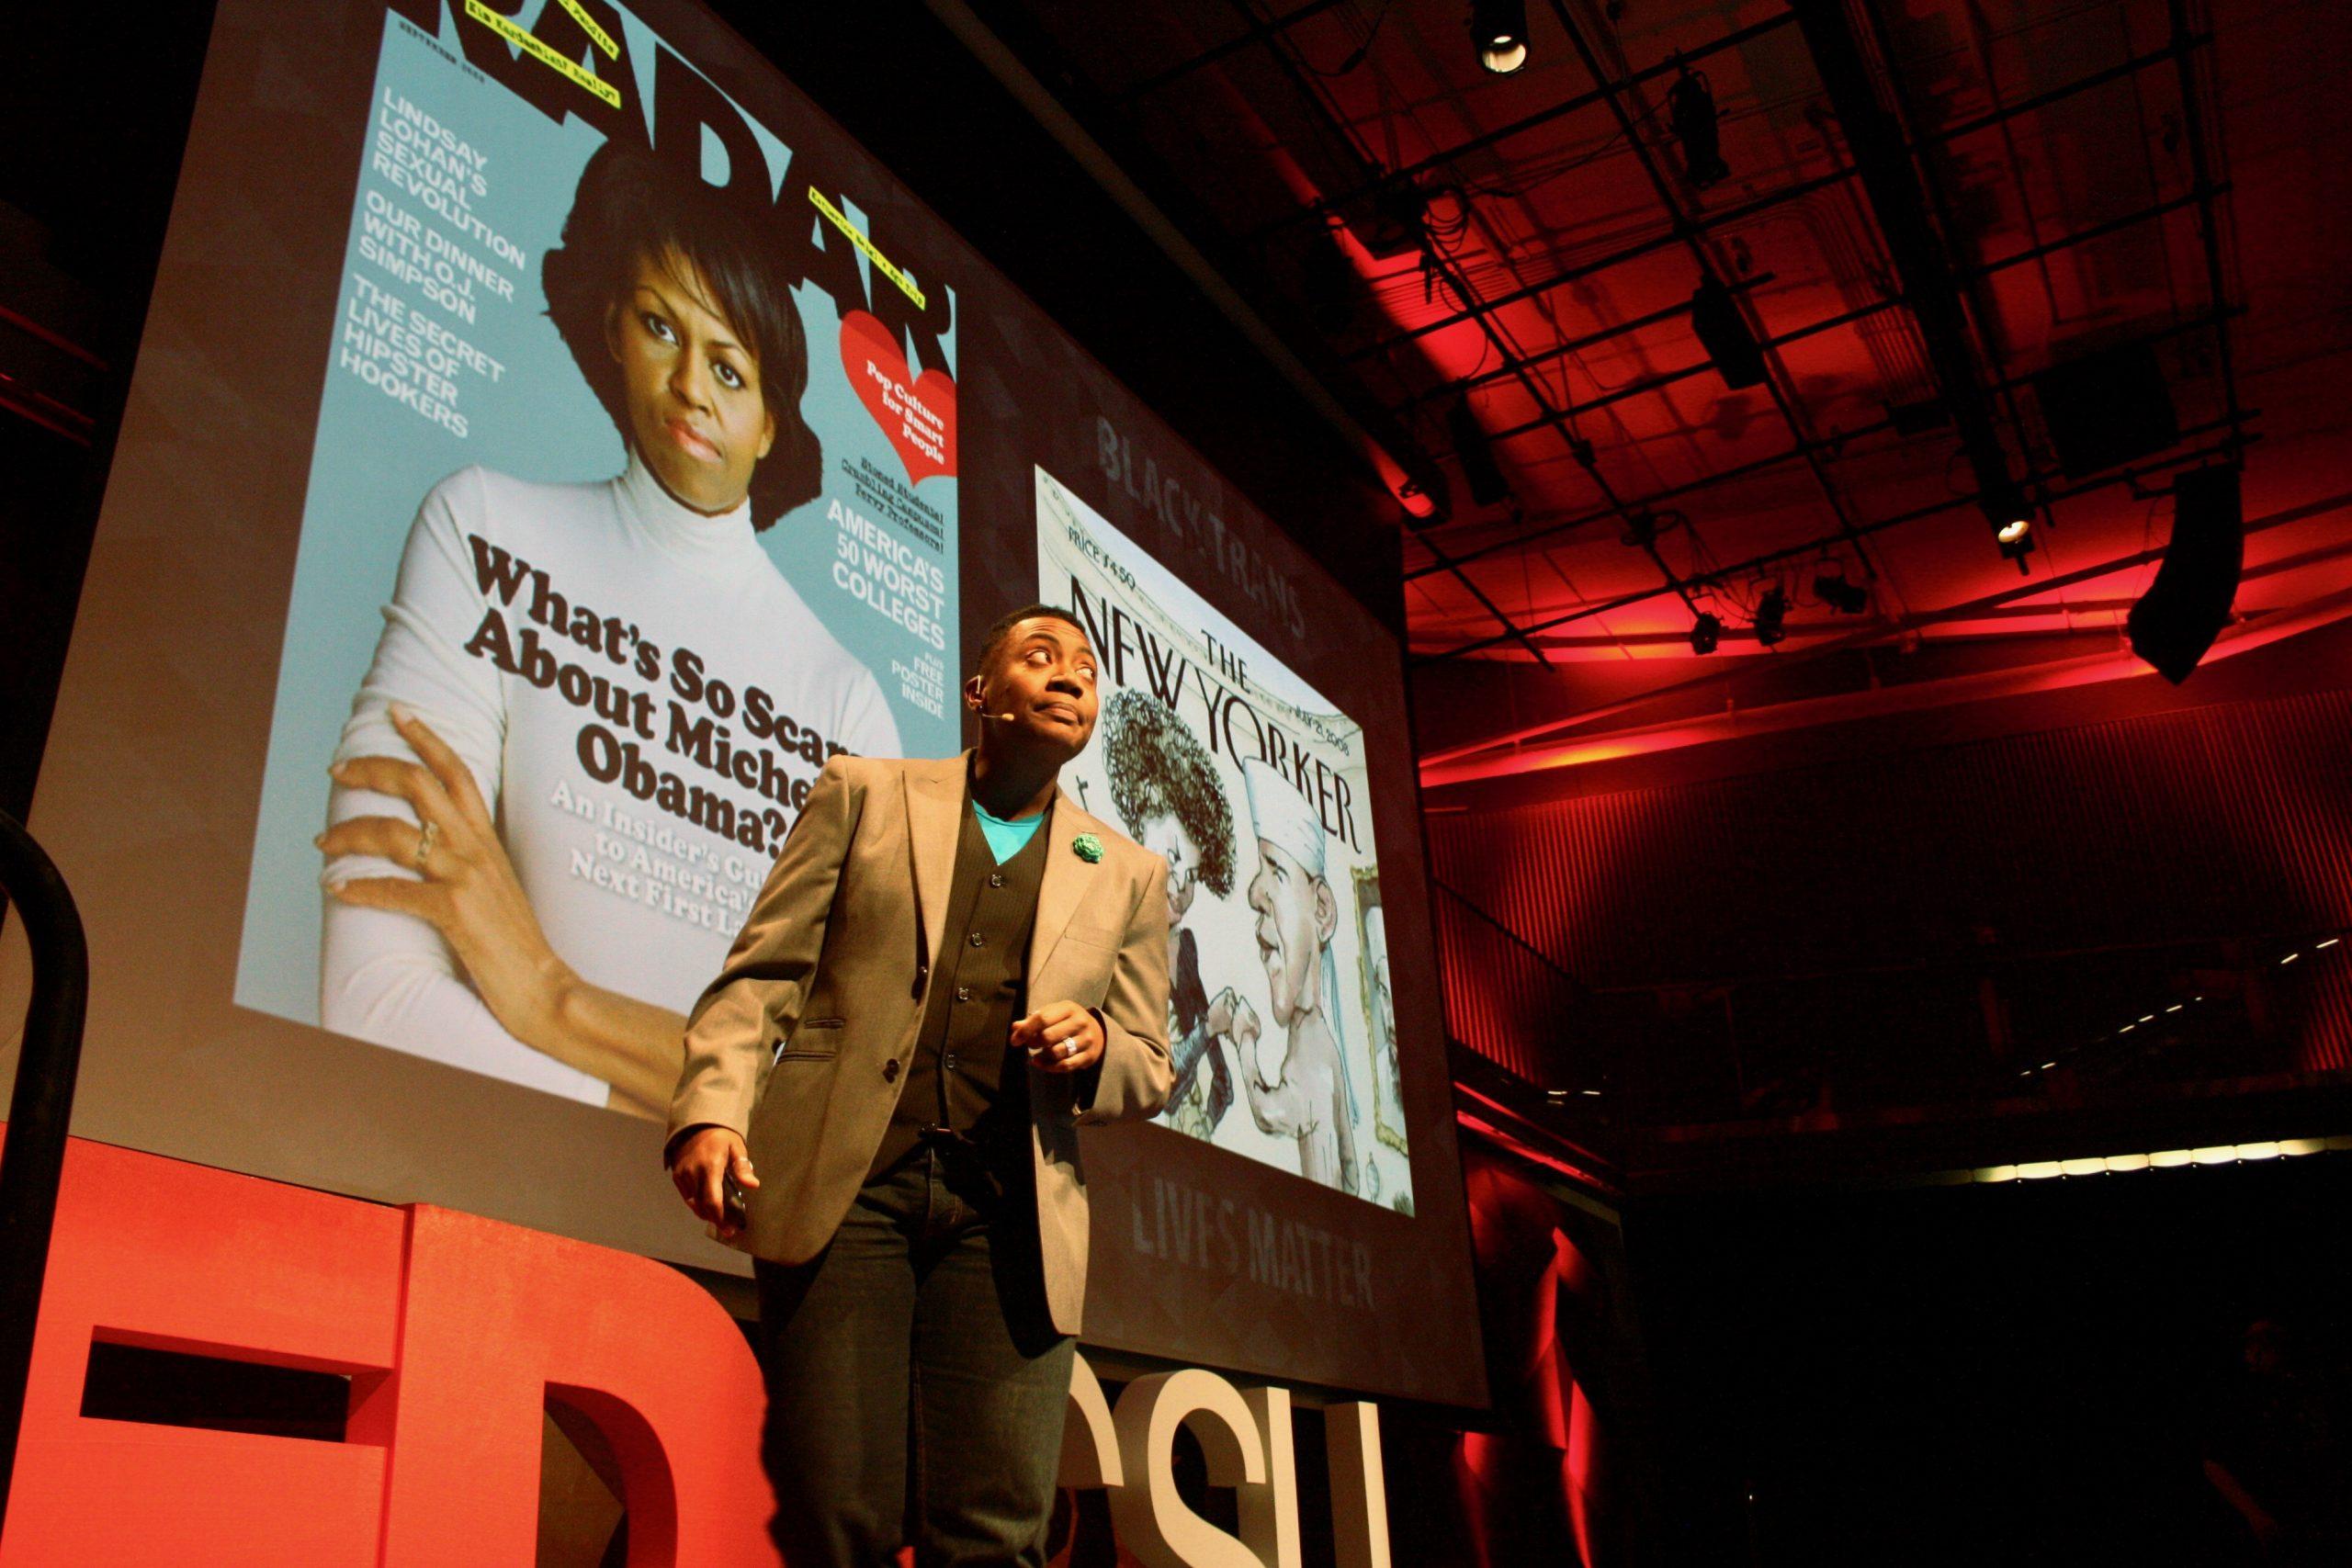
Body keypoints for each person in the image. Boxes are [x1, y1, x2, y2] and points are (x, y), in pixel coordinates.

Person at [317, 141, 898, 1118]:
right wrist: (693, 1110)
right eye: (661, 327)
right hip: (489, 1201)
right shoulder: (485, 526)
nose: (690, 390)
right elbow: (375, 999)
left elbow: (851, 1111)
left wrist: (552, 999)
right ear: (612, 330)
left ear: (770, 424)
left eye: (730, 367)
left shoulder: (845, 700)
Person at [666, 605, 1172, 1566]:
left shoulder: (1130, 876)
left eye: (1087, 669)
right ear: (981, 695)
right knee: (836, 1512)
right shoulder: (864, 792)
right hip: (846, 1190)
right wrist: (710, 1109)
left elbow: (1149, 1060)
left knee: (994, 1531)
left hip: (1012, 1220)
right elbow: (764, 974)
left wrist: (1097, 1041)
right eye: (1040, 657)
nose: (1070, 678)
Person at [1099, 689, 1238, 1140]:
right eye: (1175, 857)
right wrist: (1207, 1029)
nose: (1182, 885)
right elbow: (1152, 1084)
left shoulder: (1186, 949)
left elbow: (1218, 1087)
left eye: (1195, 874)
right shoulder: (1107, 926)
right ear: (1143, 812)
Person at [1230, 757, 1360, 1194]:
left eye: (1276, 871)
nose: (1255, 893)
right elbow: (1351, 1168)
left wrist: (1245, 1044)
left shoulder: (1311, 1049)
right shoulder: (1323, 1041)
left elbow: (1269, 1113)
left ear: (1321, 908)